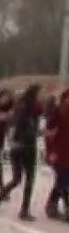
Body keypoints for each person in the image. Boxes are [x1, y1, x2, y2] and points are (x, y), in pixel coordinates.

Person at [0, 85, 42, 221]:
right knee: (28, 179)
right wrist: (36, 133)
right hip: (26, 147)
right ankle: (24, 210)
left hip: (16, 147)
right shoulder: (27, 111)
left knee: (17, 179)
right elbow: (26, 129)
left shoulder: (17, 109)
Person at [46, 90, 69, 219]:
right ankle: (52, 205)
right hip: (60, 152)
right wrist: (51, 151)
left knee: (65, 181)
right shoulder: (58, 113)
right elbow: (49, 133)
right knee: (63, 180)